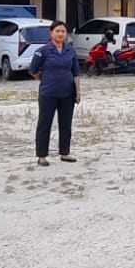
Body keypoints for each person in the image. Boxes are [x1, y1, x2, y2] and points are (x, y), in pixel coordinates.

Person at [29, 20, 82, 167]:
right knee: (44, 124)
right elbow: (33, 70)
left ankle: (64, 152)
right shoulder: (43, 50)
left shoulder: (70, 51)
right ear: (51, 33)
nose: (60, 34)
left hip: (67, 93)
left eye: (63, 31)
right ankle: (42, 156)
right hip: (48, 94)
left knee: (66, 124)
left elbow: (76, 73)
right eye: (57, 31)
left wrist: (78, 92)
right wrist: (44, 79)